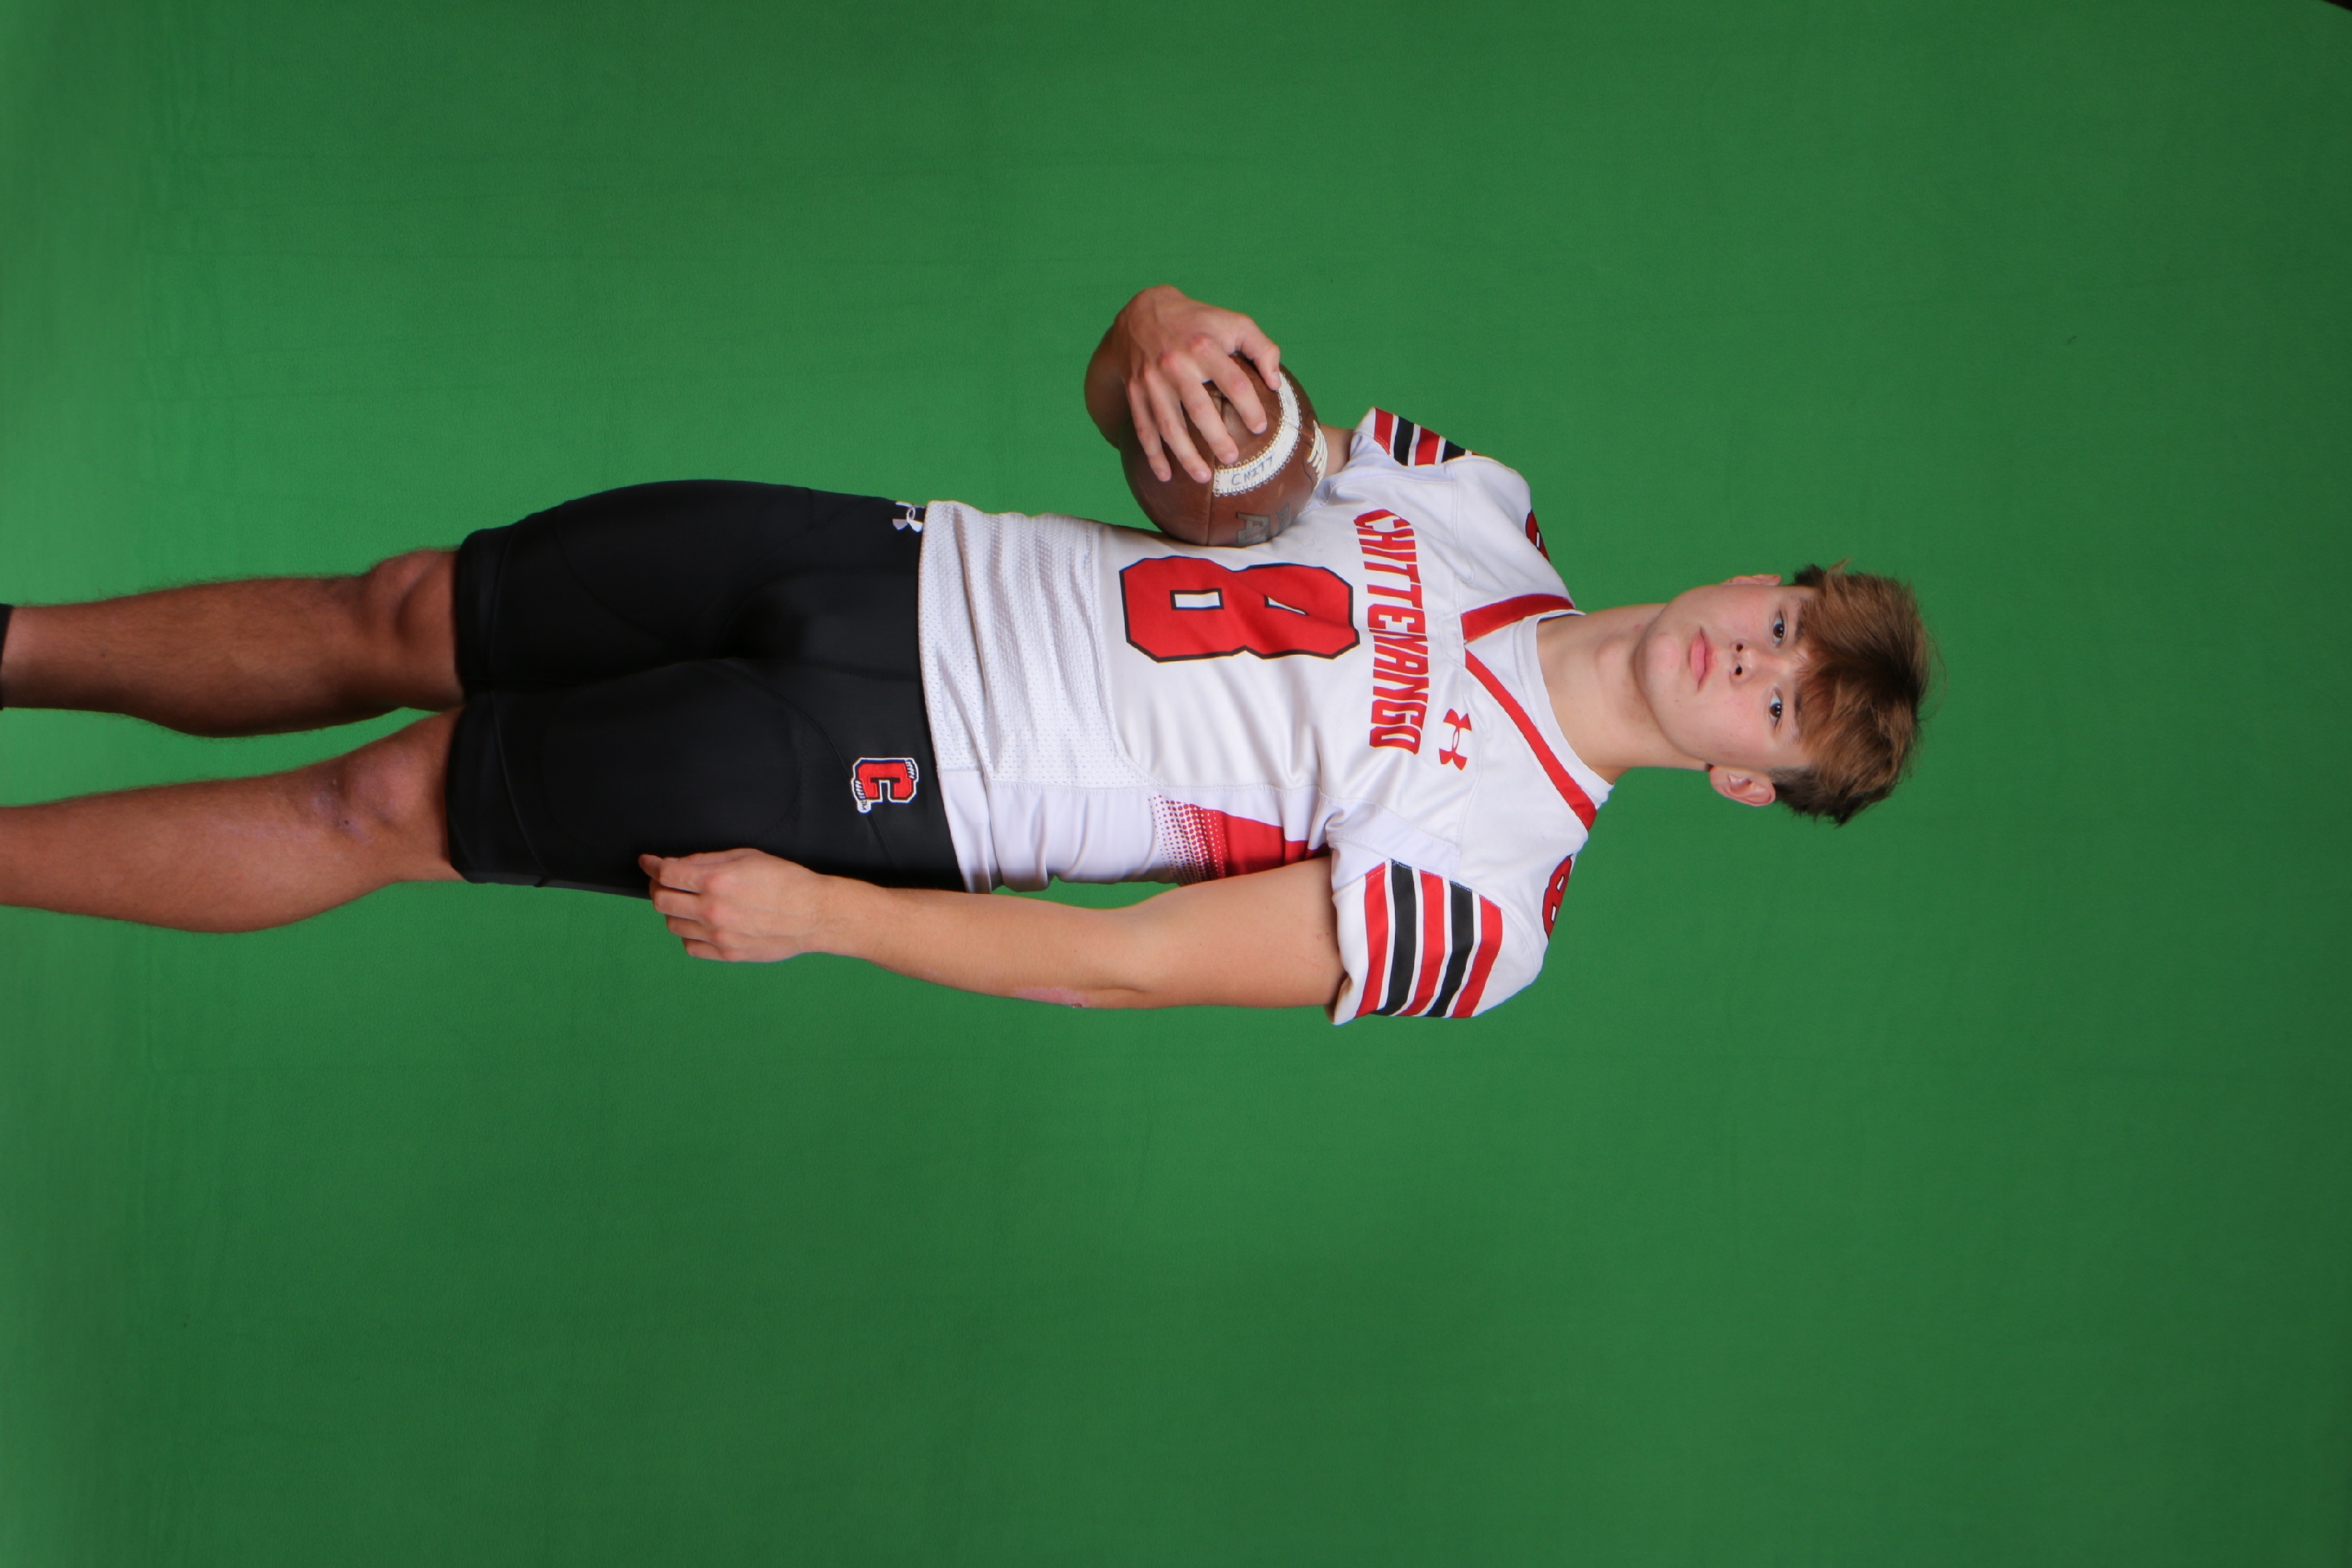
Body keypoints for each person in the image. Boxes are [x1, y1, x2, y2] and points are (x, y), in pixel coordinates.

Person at [0, 287, 1934, 1020]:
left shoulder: (1492, 904)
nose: (1745, 663)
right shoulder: (1474, 497)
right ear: (1753, 580)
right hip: (891, 559)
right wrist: (1153, 330)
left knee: (396, 798)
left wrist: (832, 917)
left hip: (907, 779)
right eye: (1780, 626)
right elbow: (1193, 453)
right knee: (412, 605)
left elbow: (1133, 963)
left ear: (1745, 780)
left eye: (1779, 707)